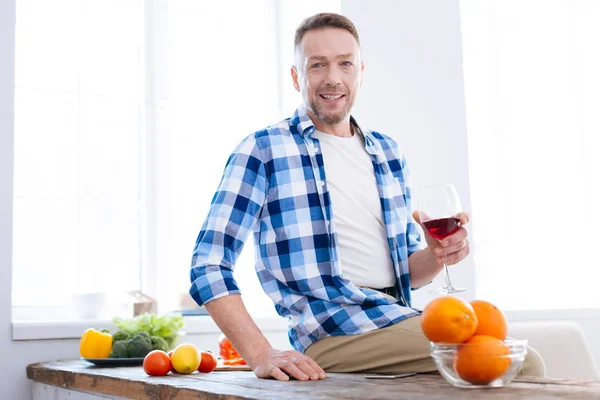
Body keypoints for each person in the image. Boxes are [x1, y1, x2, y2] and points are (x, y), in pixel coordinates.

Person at [189, 12, 545, 381]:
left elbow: (407, 272)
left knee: (497, 355)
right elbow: (208, 264)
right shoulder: (264, 149)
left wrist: (437, 255)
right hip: (334, 332)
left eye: (345, 63)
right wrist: (261, 352)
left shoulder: (386, 152)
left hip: (392, 316)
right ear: (297, 77)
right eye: (317, 65)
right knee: (520, 362)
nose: (333, 78)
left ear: (360, 71)